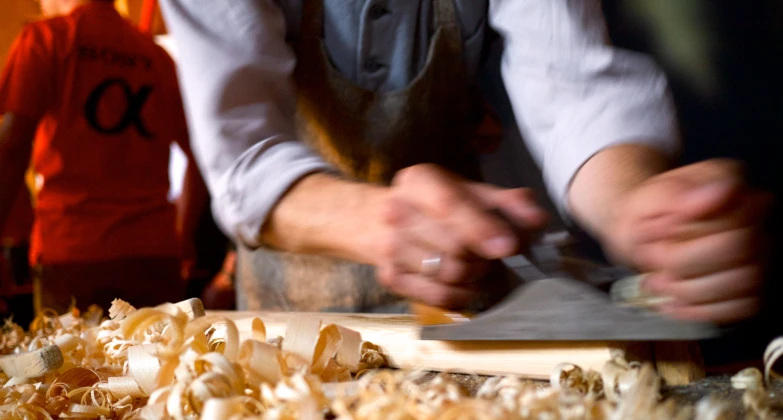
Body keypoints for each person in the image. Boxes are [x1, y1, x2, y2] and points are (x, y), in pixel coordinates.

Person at [159, 0, 770, 324]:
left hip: (469, 304)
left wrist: (638, 209)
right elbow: (245, 157)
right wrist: (382, 222)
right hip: (295, 321)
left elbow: (572, 86)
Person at [0, 0, 205, 314]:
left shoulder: (48, 38)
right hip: (155, 253)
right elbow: (200, 156)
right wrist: (183, 236)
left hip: (73, 253)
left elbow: (12, 145)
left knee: (76, 362)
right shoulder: (157, 56)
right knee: (163, 360)